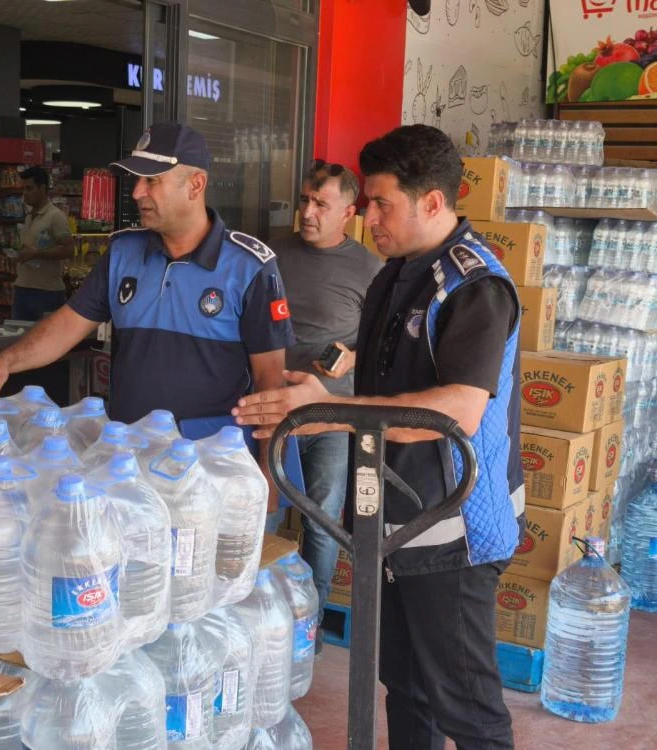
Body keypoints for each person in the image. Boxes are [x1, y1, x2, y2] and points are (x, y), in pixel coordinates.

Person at [233, 125, 523, 750]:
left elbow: (458, 411)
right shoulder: (400, 272)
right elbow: (396, 367)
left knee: (465, 705)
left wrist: (331, 411)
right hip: (393, 517)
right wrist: (318, 386)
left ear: (432, 202)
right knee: (406, 687)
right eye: (367, 202)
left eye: (381, 203)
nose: (367, 217)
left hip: (454, 528)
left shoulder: (474, 286)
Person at [0, 122, 293, 500]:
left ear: (196, 185)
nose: (137, 192)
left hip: (210, 470)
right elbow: (68, 324)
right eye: (137, 180)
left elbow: (270, 382)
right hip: (129, 465)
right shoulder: (123, 253)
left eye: (152, 181)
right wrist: (6, 362)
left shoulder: (249, 267)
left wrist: (270, 476)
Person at [273, 160, 382, 642]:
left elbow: (382, 344)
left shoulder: (370, 269)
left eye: (321, 204)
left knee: (321, 521)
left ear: (348, 213)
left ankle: (308, 629)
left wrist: (353, 356)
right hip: (273, 409)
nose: (308, 213)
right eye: (304, 200)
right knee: (263, 514)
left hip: (333, 417)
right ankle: (259, 620)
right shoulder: (272, 255)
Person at [11, 165, 75, 321]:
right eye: (23, 189)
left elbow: (69, 249)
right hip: (22, 288)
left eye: (29, 188)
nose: (25, 193)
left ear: (43, 188)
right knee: (20, 334)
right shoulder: (29, 216)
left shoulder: (56, 216)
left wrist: (36, 254)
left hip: (46, 292)